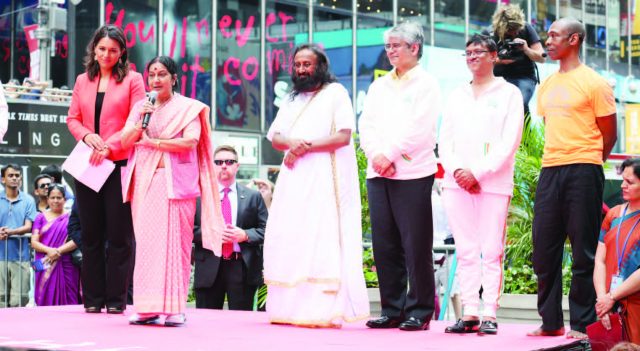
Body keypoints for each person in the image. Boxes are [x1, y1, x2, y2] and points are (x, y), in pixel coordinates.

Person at [263, 43, 369, 328]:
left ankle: (322, 310)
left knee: (320, 236)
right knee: (293, 235)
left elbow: (343, 137)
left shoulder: (335, 94)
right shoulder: (291, 98)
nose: (301, 69)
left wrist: (303, 147)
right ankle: (290, 309)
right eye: (297, 65)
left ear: (320, 66)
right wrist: (293, 145)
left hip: (324, 178)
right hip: (294, 179)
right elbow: (276, 137)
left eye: (307, 64)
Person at [529, 18, 618, 339]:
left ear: (575, 40)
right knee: (544, 250)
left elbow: (610, 133)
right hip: (550, 169)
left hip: (585, 169)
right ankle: (550, 321)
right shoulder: (548, 85)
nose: (548, 41)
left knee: (583, 252)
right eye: (548, 36)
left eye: (554, 36)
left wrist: (591, 161)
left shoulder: (594, 82)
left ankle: (581, 325)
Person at [121, 55, 224, 327]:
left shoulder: (188, 108)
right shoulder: (142, 106)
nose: (156, 79)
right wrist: (142, 119)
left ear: (174, 78)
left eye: (162, 74)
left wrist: (154, 142)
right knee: (146, 245)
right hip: (145, 181)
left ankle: (174, 309)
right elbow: (125, 140)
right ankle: (146, 308)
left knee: (174, 245)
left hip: (174, 183)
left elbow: (190, 141)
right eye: (152, 74)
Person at [439, 34, 524, 335]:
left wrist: (478, 172)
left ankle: (489, 311)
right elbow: (444, 141)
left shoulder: (509, 93)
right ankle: (470, 312)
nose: (472, 57)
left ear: (493, 56)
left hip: (493, 183)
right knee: (465, 249)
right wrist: (459, 172)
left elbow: (509, 142)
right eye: (468, 53)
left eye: (478, 52)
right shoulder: (456, 94)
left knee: (491, 249)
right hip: (456, 183)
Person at [359, 21, 441, 331]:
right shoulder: (380, 84)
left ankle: (419, 311)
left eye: (396, 45)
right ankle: (392, 308)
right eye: (388, 46)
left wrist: (389, 155)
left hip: (413, 172)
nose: (390, 51)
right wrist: (376, 155)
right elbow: (366, 124)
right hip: (378, 172)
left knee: (415, 244)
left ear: (414, 48)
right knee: (384, 245)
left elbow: (419, 129)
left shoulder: (426, 84)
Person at [66, 24, 146, 314]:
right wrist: (88, 138)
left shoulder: (134, 80)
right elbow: (72, 119)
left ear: (122, 51)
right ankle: (92, 301)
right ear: (94, 49)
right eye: (102, 49)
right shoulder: (81, 80)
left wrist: (107, 146)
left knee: (119, 236)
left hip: (119, 162)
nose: (107, 54)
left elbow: (135, 121)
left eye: (113, 50)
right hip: (88, 162)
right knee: (90, 234)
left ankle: (116, 301)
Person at [193, 145, 268, 311]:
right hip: (209, 265)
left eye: (229, 161)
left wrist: (245, 235)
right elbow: (189, 229)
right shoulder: (200, 196)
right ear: (212, 165)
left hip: (241, 266)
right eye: (218, 162)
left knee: (241, 324)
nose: (224, 165)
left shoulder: (253, 197)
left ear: (237, 166)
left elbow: (266, 230)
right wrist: (212, 235)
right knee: (207, 323)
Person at [593, 158, 640, 344]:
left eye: (630, 182)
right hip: (609, 306)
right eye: (623, 179)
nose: (623, 185)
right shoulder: (613, 215)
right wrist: (602, 300)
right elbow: (599, 261)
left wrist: (611, 297)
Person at [489, 4, 545, 116]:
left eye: (517, 30)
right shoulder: (491, 33)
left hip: (523, 76)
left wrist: (526, 49)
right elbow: (481, 60)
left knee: (519, 102)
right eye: (511, 31)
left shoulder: (527, 28)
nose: (515, 33)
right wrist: (499, 60)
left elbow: (541, 58)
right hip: (497, 78)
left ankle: (525, 132)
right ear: (501, 27)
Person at [30, 184, 80, 306]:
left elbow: (77, 239)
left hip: (66, 262)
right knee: (44, 294)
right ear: (47, 199)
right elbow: (34, 242)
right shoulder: (40, 217)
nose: (56, 201)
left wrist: (58, 251)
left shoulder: (71, 217)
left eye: (59, 197)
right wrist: (50, 251)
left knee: (70, 296)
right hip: (45, 261)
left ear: (65, 199)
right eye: (52, 198)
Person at [0, 164, 36, 307]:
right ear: (3, 179)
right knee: (1, 301)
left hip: (21, 257)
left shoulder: (28, 200)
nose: (14, 178)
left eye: (17, 175)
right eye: (10, 175)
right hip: (0, 257)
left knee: (18, 301)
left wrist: (11, 232)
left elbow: (28, 226)